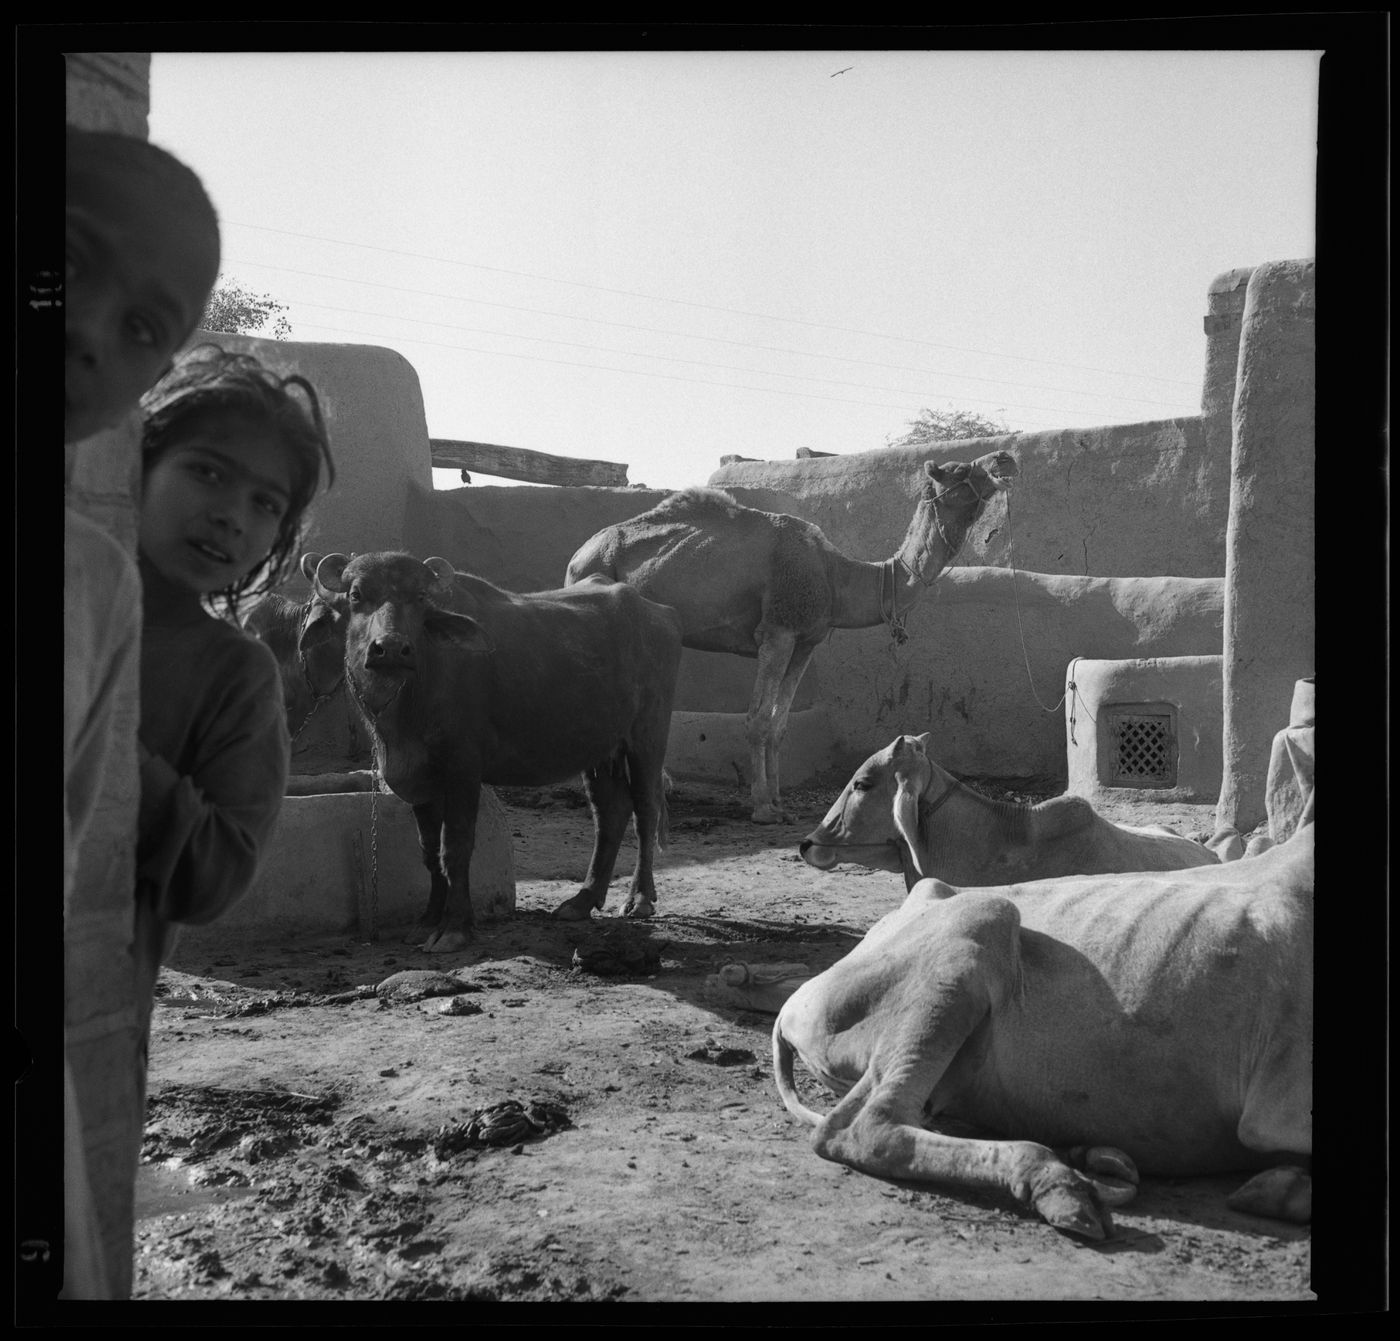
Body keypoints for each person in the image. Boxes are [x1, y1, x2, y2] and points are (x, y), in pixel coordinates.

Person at [61, 128, 222, 1301]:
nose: (84, 327)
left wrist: (136, 772)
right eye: (59, 262)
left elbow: (212, 867)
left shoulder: (85, 586)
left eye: (142, 329)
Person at [131, 344, 335, 1121]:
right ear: (141, 459)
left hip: (89, 1029)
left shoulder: (235, 675)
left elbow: (215, 875)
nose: (231, 514)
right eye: (208, 472)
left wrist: (106, 751)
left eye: (265, 503)